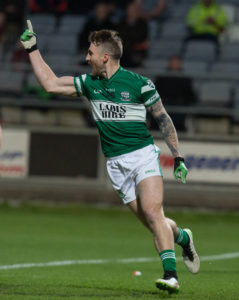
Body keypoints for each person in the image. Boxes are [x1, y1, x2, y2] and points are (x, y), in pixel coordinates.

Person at [20, 20, 200, 294]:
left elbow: (163, 118)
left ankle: (171, 276)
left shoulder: (139, 84)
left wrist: (178, 157)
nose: (86, 57)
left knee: (153, 213)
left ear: (105, 56)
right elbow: (51, 84)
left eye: (90, 53)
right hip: (116, 165)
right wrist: (33, 49)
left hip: (142, 156)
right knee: (154, 222)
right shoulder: (90, 83)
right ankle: (184, 237)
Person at [151, 55, 195, 132]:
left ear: (180, 64)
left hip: (178, 103)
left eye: (176, 63)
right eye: (173, 62)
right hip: (163, 102)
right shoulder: (161, 78)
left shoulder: (185, 79)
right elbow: (154, 92)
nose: (174, 64)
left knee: (178, 107)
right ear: (169, 64)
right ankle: (155, 128)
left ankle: (178, 129)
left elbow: (190, 95)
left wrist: (182, 99)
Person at [117, 0, 149, 67]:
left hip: (137, 53)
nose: (132, 12)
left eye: (134, 10)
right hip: (124, 53)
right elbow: (121, 40)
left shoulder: (143, 24)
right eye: (130, 10)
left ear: (138, 11)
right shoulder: (121, 24)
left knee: (136, 59)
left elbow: (143, 41)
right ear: (126, 11)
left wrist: (132, 44)